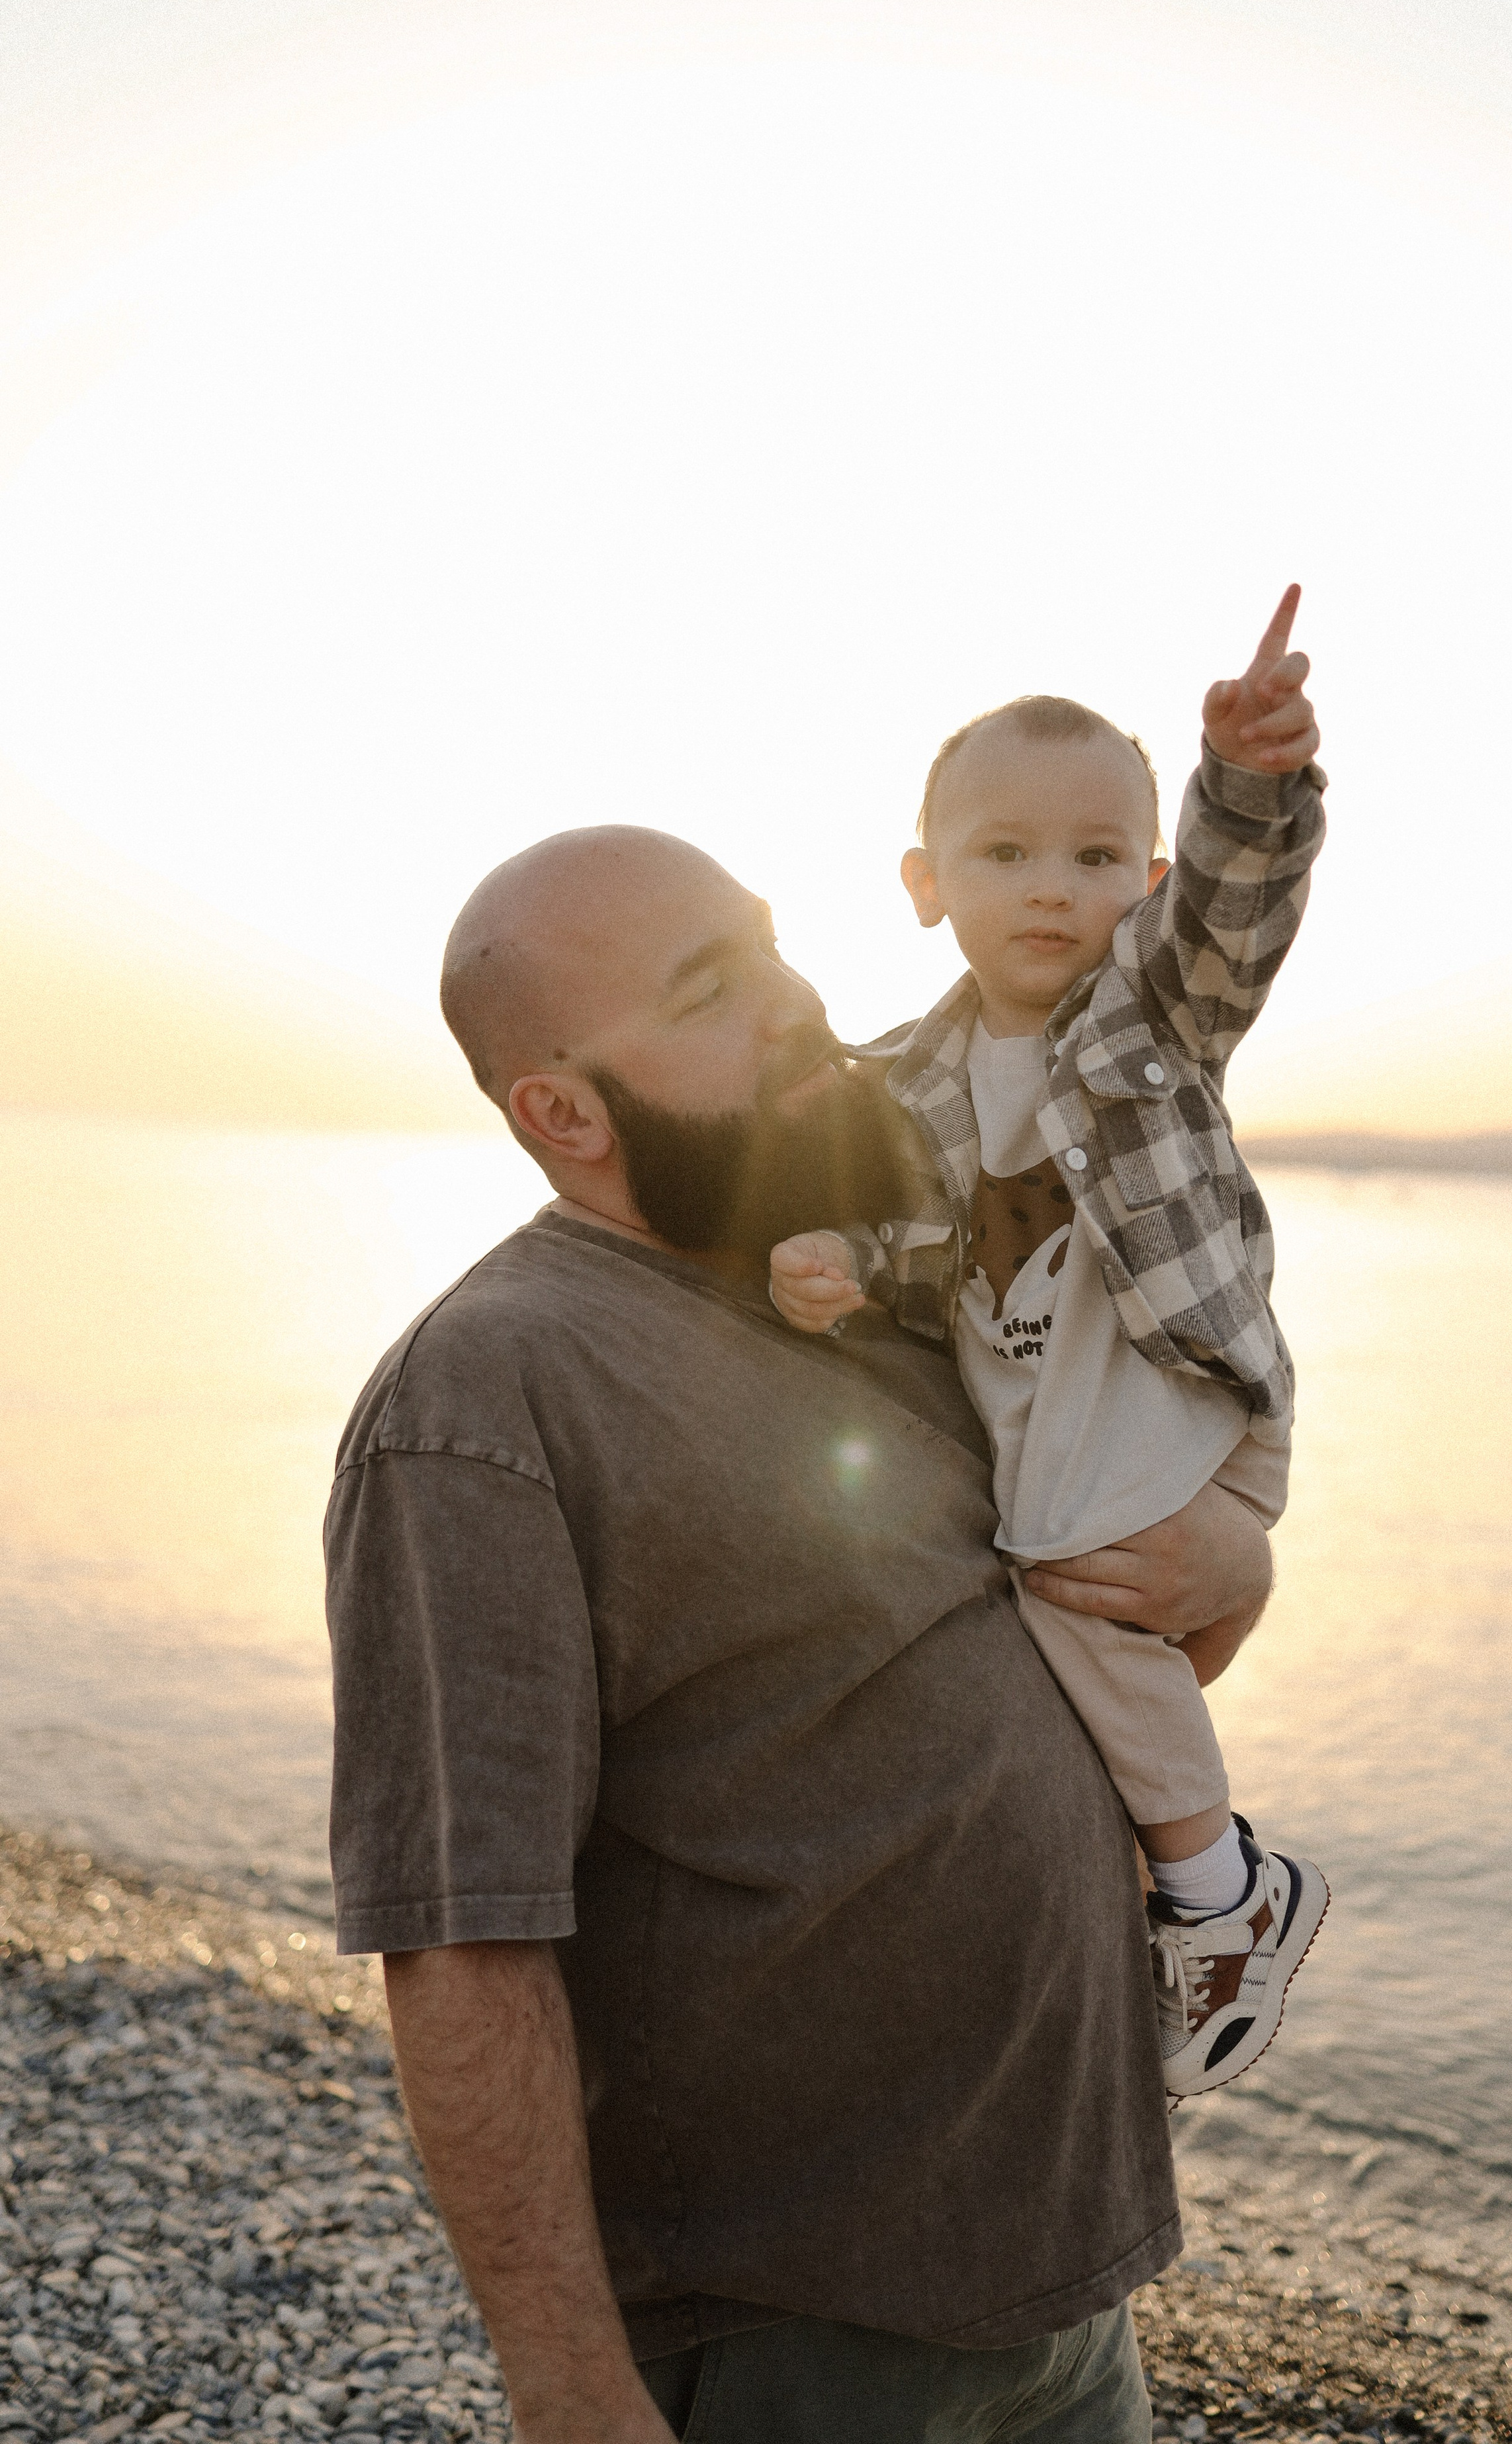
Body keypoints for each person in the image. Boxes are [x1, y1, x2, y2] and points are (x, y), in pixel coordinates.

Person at [324, 822, 1277, 2443]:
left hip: (1065, 2287)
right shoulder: (493, 1393)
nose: (799, 1004)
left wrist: (1226, 1570)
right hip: (794, 2335)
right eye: (715, 989)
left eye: (773, 948)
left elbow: (1068, 1668)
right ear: (560, 1111)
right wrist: (569, 2393)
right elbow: (463, 1936)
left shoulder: (878, 1299)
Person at [768, 588, 1328, 2099]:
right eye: (1002, 854)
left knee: (1072, 1596)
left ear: (1139, 880)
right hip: (1061, 1424)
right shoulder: (897, 1084)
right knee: (1071, 1632)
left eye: (1092, 858)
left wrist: (1252, 782)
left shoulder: (1149, 1010)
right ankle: (1137, 1920)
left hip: (1172, 1394)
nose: (1047, 889)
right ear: (923, 882)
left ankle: (1221, 1902)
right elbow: (934, 1250)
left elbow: (1233, 908)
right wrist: (843, 1265)